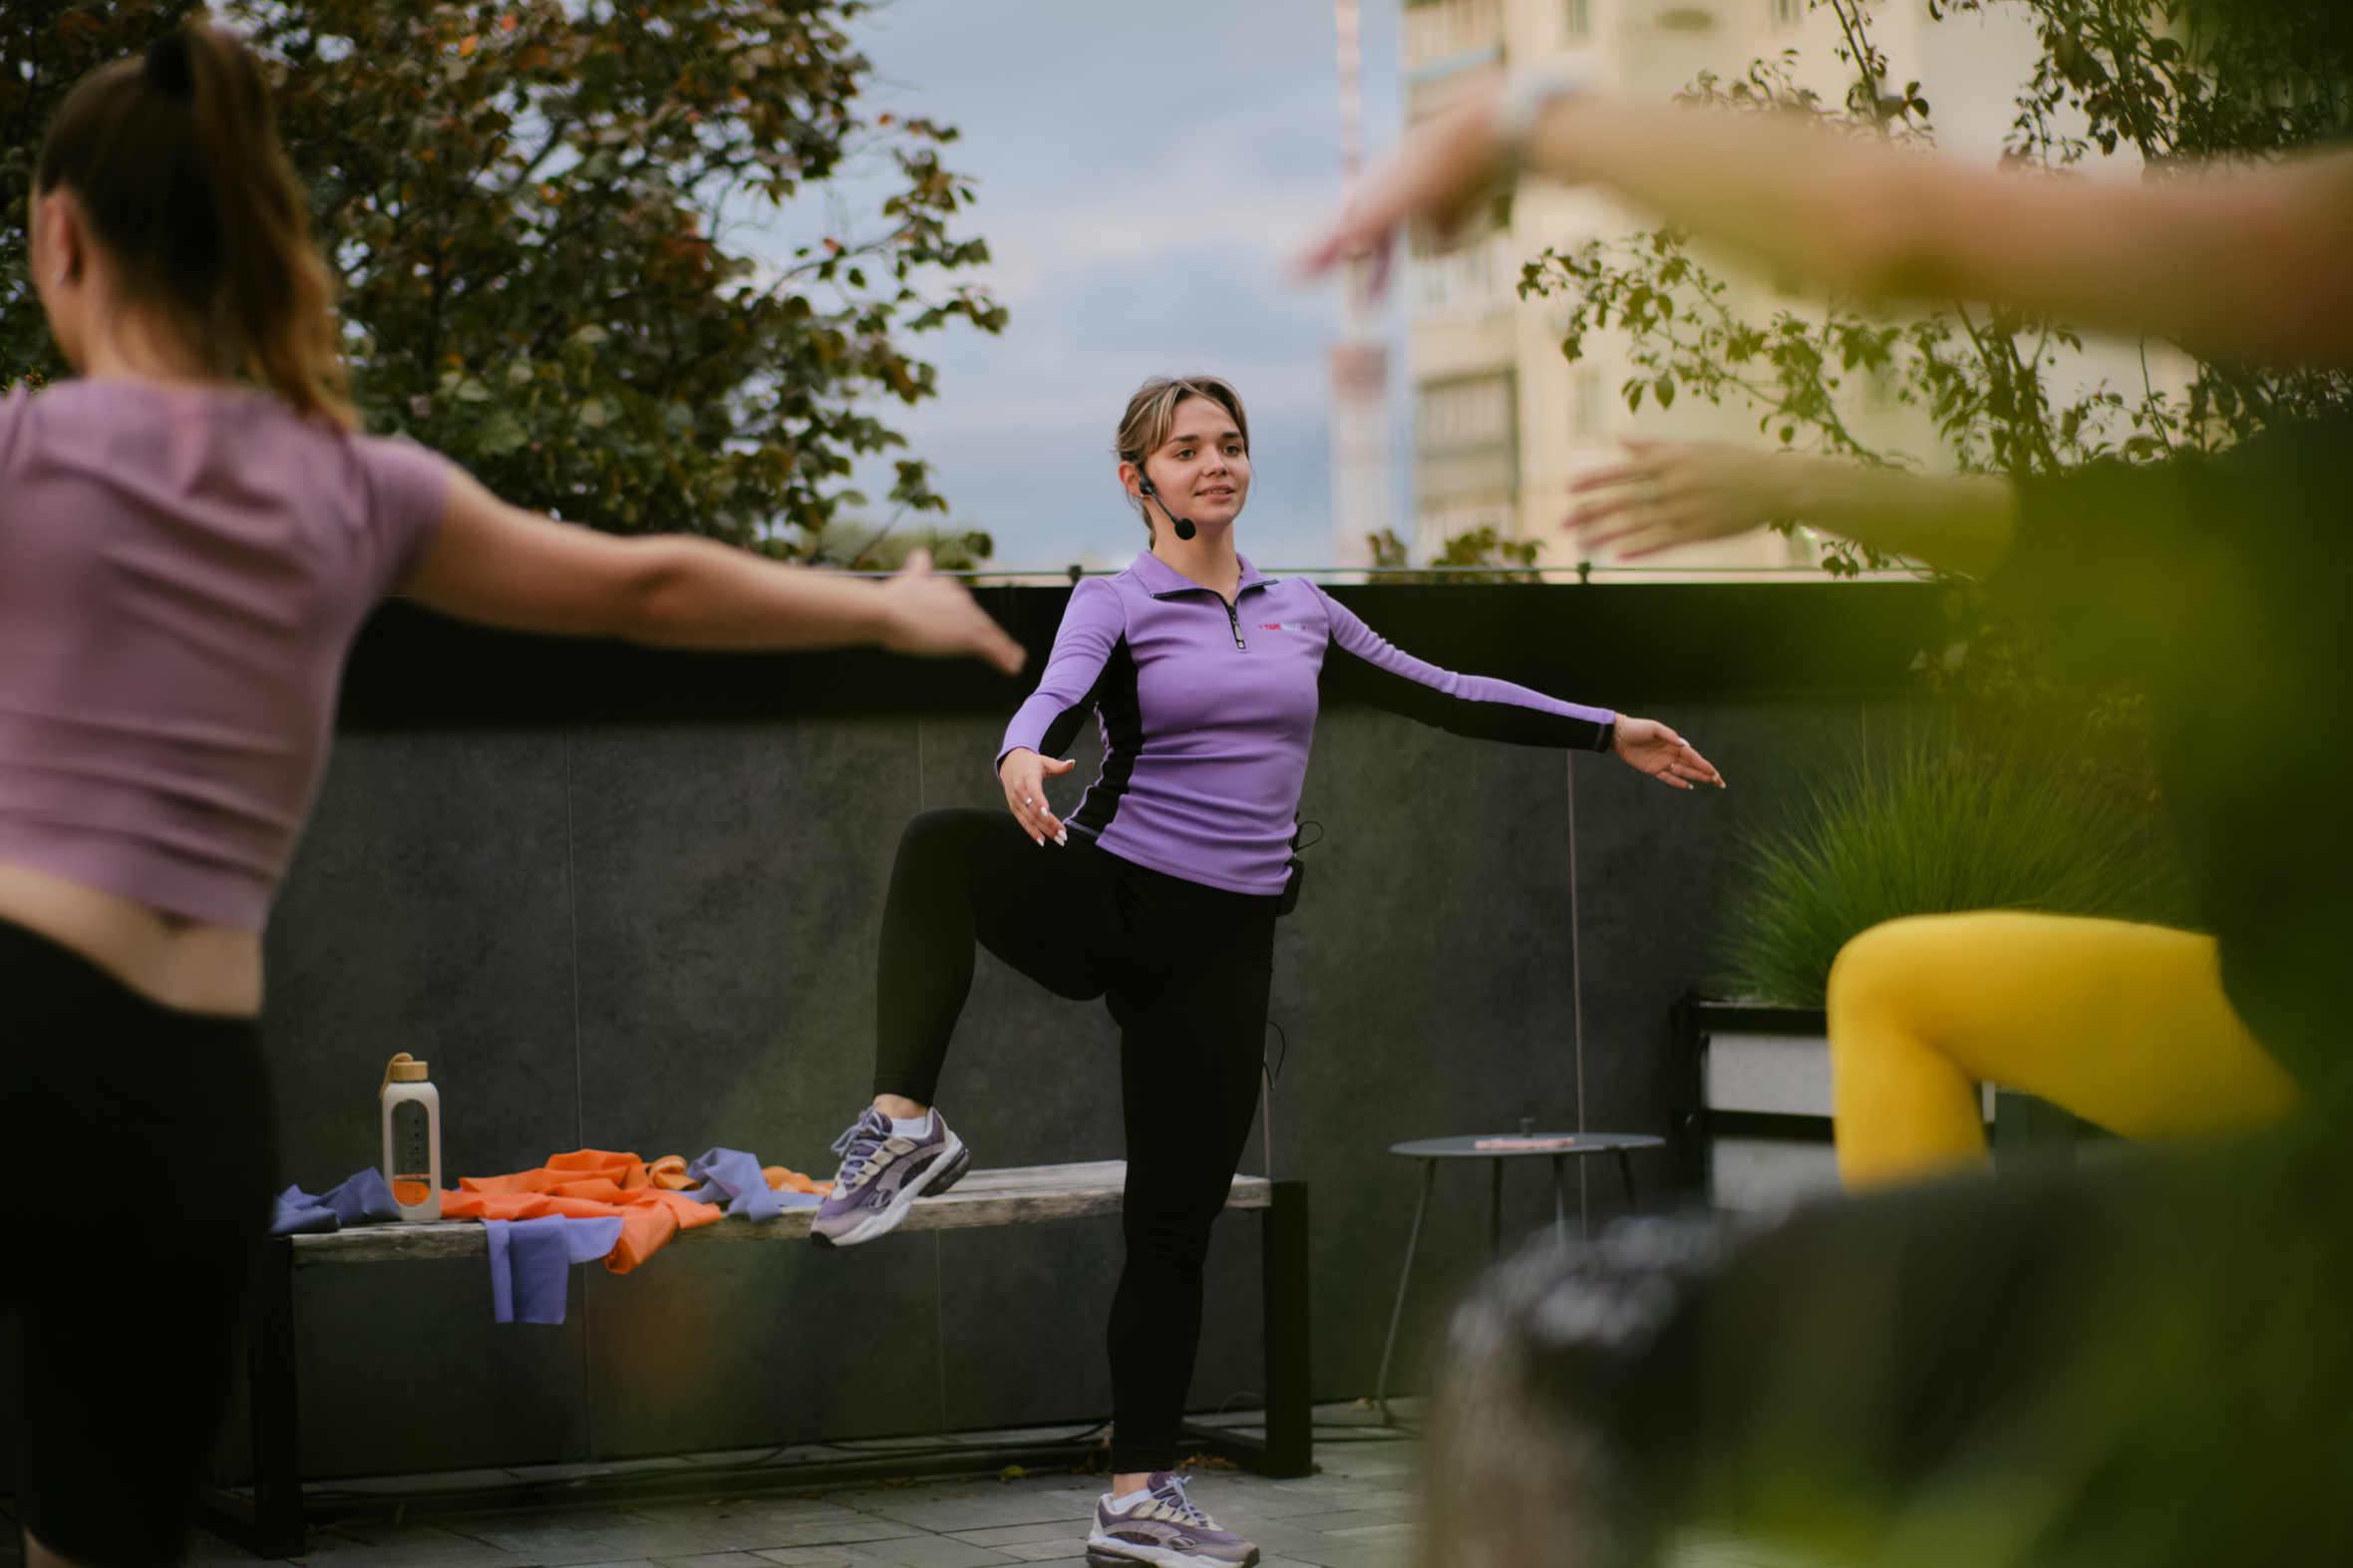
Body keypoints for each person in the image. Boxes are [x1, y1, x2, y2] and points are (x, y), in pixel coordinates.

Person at [1305, 56, 2353, 1568]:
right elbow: (2056, 523)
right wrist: (1791, 483)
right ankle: (1933, 1416)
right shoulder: (2266, 500)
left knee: (1549, 1340)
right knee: (1899, 980)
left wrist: (1525, 120)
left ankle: (1930, 1463)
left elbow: (1891, 221)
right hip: (2290, 1026)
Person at [0, 22, 1024, 1568]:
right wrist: (885, 609)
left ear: (61, 237)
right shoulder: (352, 486)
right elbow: (648, 591)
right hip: (183, 1089)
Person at [806, 373, 1721, 1568]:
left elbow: (1447, 693)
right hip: (1110, 895)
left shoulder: (1304, 611)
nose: (1214, 464)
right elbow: (1053, 696)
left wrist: (1607, 729)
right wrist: (1020, 754)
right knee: (939, 846)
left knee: (1170, 1229)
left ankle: (1135, 1499)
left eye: (1228, 444)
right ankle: (903, 1124)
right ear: (1137, 479)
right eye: (1185, 449)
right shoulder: (1114, 601)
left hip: (1222, 945)